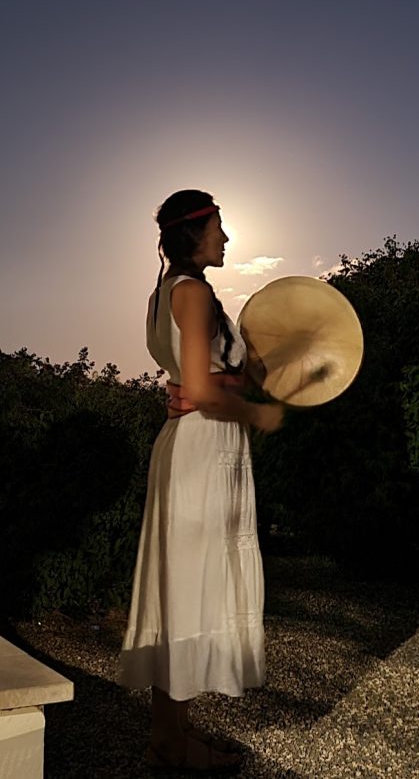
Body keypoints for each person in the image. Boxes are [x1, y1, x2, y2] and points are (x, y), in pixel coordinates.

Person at [117, 189, 283, 772]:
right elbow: (204, 388)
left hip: (197, 445)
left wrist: (256, 368)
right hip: (204, 446)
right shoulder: (193, 293)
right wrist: (257, 414)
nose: (226, 238)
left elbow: (210, 374)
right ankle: (169, 742)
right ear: (194, 234)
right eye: (218, 227)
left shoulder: (169, 292)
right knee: (188, 587)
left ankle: (173, 737)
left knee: (183, 586)